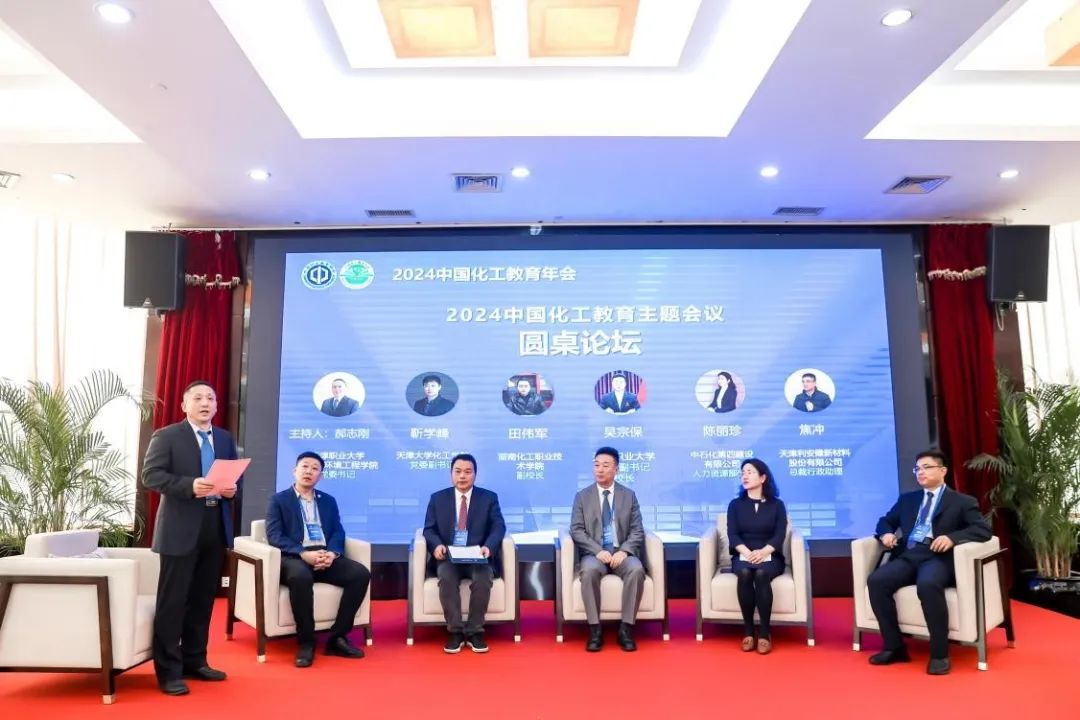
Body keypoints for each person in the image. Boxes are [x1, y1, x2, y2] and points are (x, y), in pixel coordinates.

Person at [142, 380, 239, 696]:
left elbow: (232, 478)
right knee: (173, 602)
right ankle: (168, 671)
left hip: (215, 526)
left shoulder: (224, 438)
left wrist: (231, 490)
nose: (205, 403)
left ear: (216, 405)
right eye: (197, 398)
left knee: (202, 600)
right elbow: (151, 476)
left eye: (210, 398)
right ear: (184, 405)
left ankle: (195, 661)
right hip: (179, 529)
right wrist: (189, 485)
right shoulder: (167, 436)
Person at [867, 449, 992, 675]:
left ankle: (939, 654)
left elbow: (982, 530)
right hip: (909, 554)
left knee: (928, 584)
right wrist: (885, 533)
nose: (920, 472)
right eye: (917, 468)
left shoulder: (962, 502)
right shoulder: (908, 499)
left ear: (943, 471)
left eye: (926, 467)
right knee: (877, 581)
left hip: (938, 557)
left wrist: (952, 538)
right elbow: (885, 521)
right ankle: (894, 647)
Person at [265, 451, 371, 667]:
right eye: (305, 466)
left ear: (320, 476)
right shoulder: (279, 500)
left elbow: (337, 532)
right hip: (294, 556)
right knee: (301, 578)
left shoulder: (328, 501)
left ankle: (337, 638)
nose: (309, 471)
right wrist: (303, 553)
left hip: (323, 554)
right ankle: (306, 642)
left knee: (360, 574)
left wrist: (332, 553)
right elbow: (274, 535)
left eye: (315, 469)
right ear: (294, 471)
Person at [422, 453, 506, 653]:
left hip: (478, 557)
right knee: (446, 577)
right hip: (449, 557)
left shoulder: (488, 498)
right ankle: (455, 632)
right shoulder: (438, 499)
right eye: (458, 471)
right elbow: (429, 529)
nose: (462, 476)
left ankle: (475, 631)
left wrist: (488, 546)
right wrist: (436, 546)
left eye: (468, 472)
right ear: (451, 474)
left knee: (483, 578)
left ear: (475, 474)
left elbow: (498, 527)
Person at [570, 447, 647, 652]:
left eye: (605, 465)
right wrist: (597, 550)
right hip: (595, 553)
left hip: (621, 551)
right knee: (589, 572)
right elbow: (576, 530)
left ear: (616, 469)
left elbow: (637, 530)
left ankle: (626, 629)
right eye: (596, 465)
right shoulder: (582, 496)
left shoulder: (628, 495)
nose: (600, 469)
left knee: (636, 570)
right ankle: (595, 629)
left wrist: (624, 551)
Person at [727, 458, 787, 655]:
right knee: (745, 573)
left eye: (750, 472)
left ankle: (764, 632)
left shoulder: (777, 505)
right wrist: (747, 553)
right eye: (743, 472)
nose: (745, 476)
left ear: (763, 478)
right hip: (743, 554)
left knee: (761, 574)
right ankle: (748, 630)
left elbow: (779, 534)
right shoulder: (735, 505)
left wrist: (763, 552)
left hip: (770, 555)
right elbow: (733, 534)